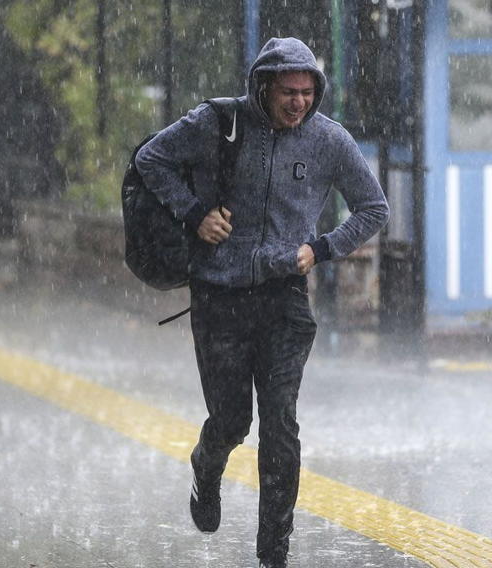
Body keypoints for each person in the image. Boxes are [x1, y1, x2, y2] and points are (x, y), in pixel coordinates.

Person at [135, 37, 389, 568]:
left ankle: (274, 553)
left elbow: (372, 207)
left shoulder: (329, 141)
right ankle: (208, 466)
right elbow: (150, 158)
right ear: (264, 86)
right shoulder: (218, 123)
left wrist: (319, 249)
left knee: (281, 425)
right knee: (231, 422)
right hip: (219, 296)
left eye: (306, 91)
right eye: (287, 91)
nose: (298, 102)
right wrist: (194, 212)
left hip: (285, 301)